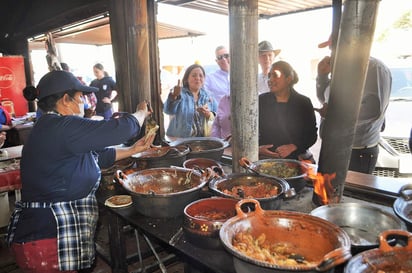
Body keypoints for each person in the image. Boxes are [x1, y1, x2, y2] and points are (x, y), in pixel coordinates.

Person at [6, 70, 155, 273]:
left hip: (50, 237)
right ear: (66, 100)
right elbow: (121, 129)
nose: (84, 103)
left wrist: (133, 150)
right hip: (48, 240)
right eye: (80, 98)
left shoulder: (51, 127)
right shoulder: (60, 126)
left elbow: (97, 157)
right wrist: (140, 113)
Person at [316, 37, 392, 174]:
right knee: (330, 191)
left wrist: (335, 113)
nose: (331, 52)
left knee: (353, 193)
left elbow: (372, 111)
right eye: (331, 48)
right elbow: (325, 100)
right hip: (333, 145)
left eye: (335, 47)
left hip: (357, 150)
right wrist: (322, 76)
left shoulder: (373, 68)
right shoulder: (341, 69)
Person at [259, 61, 318, 162]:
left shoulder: (303, 103)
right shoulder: (261, 101)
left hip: (296, 158)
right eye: (269, 76)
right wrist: (258, 149)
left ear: (288, 79)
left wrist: (294, 146)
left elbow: (311, 135)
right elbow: (251, 131)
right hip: (265, 159)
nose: (270, 80)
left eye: (275, 75)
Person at [164, 64, 217, 139]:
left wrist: (209, 114)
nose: (198, 78)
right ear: (186, 79)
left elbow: (218, 117)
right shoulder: (179, 93)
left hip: (202, 141)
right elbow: (168, 110)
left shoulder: (209, 96)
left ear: (204, 79)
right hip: (180, 141)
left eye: (201, 76)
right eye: (194, 75)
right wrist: (174, 97)